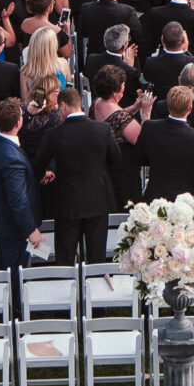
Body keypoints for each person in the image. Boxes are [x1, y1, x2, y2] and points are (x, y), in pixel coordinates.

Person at [39, 85, 129, 263]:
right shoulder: (103, 129)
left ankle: (67, 290)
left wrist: (48, 172)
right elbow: (116, 160)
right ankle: (94, 289)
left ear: (63, 105)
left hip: (66, 204)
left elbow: (38, 165)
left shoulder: (53, 134)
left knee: (65, 260)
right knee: (97, 257)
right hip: (97, 201)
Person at [0, 101, 41, 266]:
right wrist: (31, 230)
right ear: (19, 123)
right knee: (13, 270)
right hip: (10, 224)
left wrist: (27, 112)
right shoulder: (12, 161)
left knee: (2, 261)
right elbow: (18, 200)